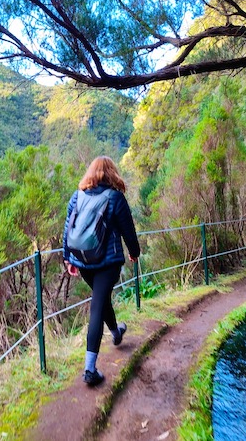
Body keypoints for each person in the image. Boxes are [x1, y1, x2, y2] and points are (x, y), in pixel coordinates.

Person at [63, 156, 140, 386]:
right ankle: (90, 370)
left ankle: (116, 333)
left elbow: (68, 228)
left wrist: (69, 258)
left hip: (84, 262)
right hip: (108, 263)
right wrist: (134, 252)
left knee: (101, 299)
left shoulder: (77, 196)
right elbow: (129, 230)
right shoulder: (115, 198)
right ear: (112, 173)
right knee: (97, 305)